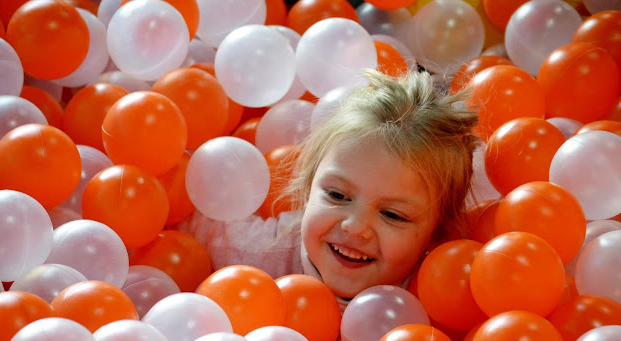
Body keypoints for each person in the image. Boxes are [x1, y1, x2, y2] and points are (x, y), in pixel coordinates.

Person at [177, 68, 478, 310]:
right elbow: (189, 219)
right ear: (308, 188)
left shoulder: (440, 294)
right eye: (337, 196)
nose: (355, 227)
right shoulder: (262, 252)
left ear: (436, 234)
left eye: (392, 215)